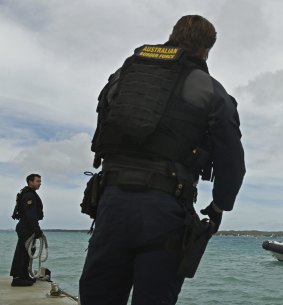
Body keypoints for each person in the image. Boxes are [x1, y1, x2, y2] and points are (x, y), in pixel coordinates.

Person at [78, 15, 245, 305]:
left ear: (172, 36)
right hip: (166, 210)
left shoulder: (124, 75)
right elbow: (232, 160)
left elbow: (103, 125)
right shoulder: (210, 89)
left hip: (111, 203)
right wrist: (219, 206)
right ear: (206, 50)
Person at [10, 173, 44, 287]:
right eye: (38, 181)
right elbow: (31, 214)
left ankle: (24, 275)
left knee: (28, 252)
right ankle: (17, 278)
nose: (40, 183)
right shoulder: (29, 195)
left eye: (40, 181)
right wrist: (37, 229)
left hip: (27, 226)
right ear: (30, 182)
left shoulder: (26, 193)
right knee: (22, 252)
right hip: (26, 227)